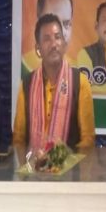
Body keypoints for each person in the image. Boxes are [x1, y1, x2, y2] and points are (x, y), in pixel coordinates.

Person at [13, 14, 95, 150]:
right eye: (47, 39)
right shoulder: (27, 85)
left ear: (64, 43)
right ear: (38, 48)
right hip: (32, 162)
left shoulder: (80, 82)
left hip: (70, 163)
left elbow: (88, 139)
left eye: (57, 37)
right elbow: (18, 139)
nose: (53, 44)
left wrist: (63, 156)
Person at [22, 0, 75, 75]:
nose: (61, 32)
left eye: (66, 24)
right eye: (52, 22)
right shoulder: (24, 67)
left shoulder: (77, 71)